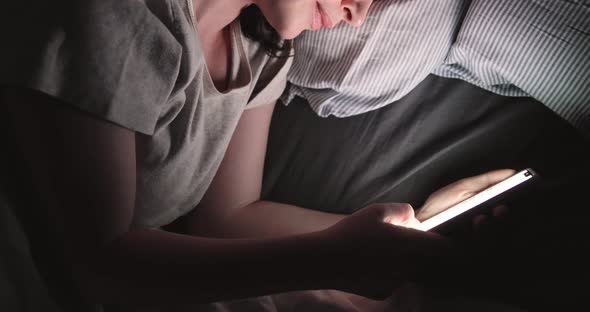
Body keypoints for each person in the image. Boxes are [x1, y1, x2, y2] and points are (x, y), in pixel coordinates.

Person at [0, 0, 513, 310]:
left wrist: (414, 230)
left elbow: (229, 217)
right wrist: (334, 260)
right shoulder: (124, 15)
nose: (359, 14)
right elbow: (100, 263)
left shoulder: (260, 48)